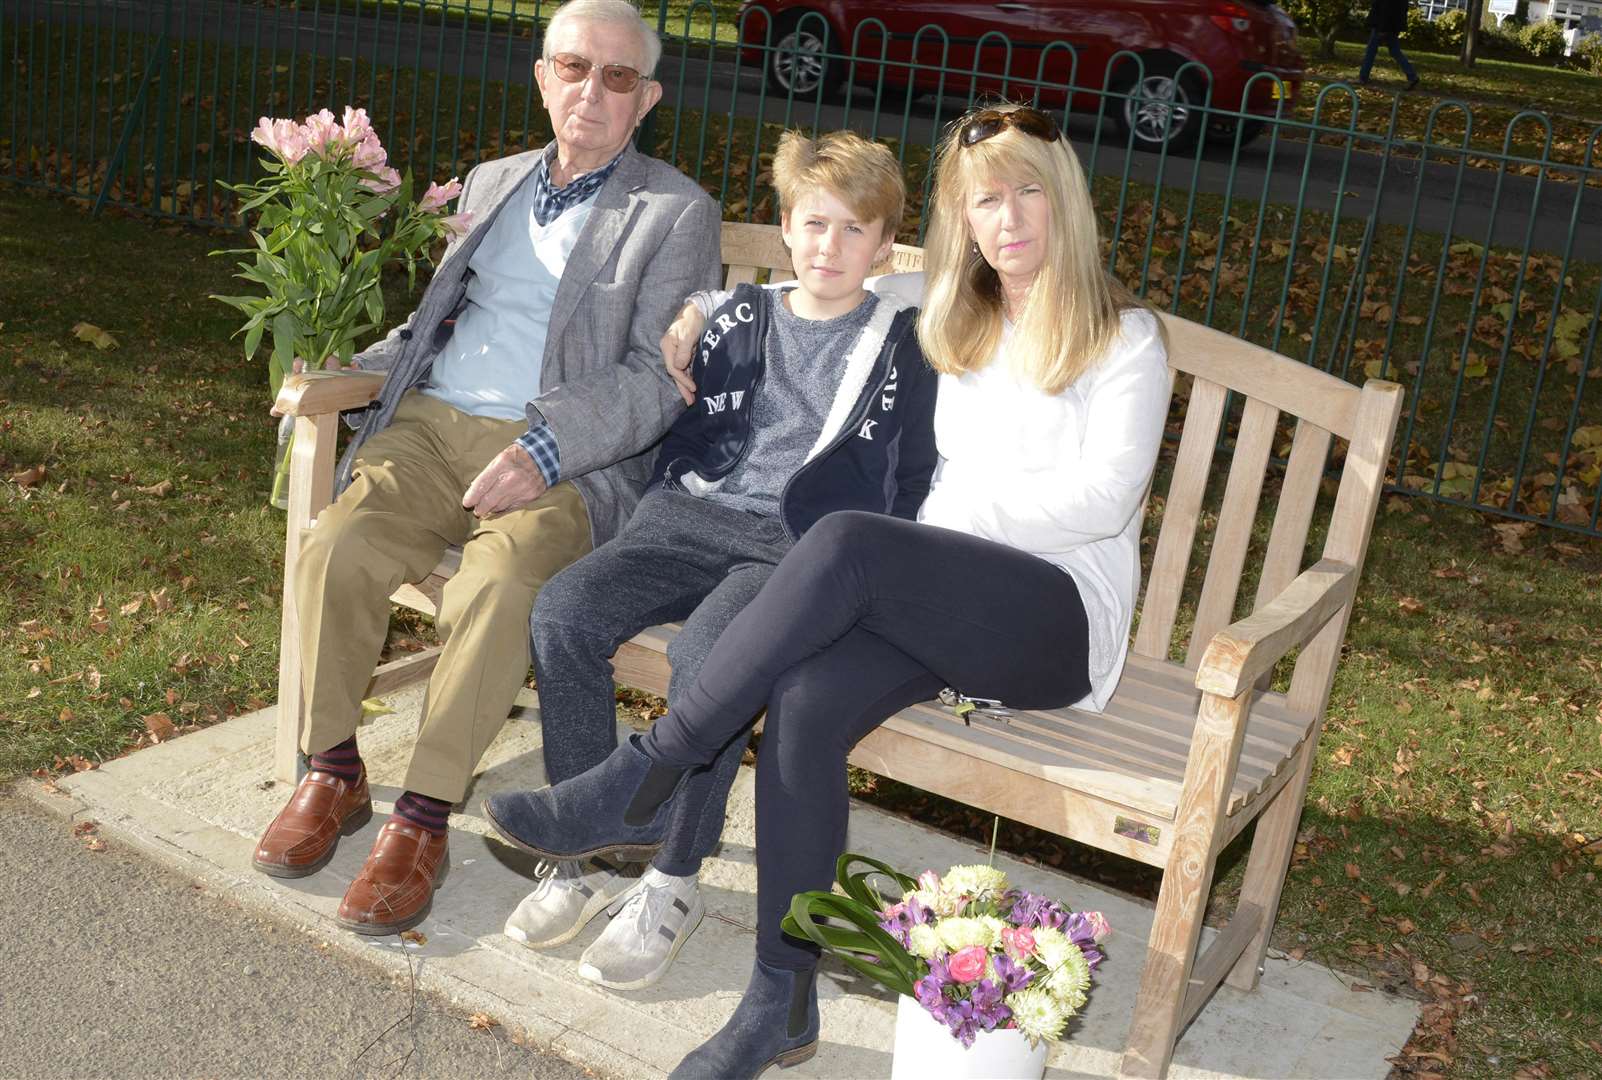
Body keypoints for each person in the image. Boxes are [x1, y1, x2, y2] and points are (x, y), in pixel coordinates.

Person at [485, 102, 1171, 1078]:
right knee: (804, 705)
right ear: (961, 222)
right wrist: (701, 313)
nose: (1009, 218)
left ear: (1064, 202)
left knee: (849, 542)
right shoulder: (949, 317)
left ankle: (644, 775)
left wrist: (936, 531)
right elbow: (827, 266)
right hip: (934, 601)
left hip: (1050, 624)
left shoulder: (1123, 338)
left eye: (1028, 192)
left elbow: (1103, 500)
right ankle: (779, 1001)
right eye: (985, 201)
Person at [250, 0, 722, 938]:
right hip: (431, 429)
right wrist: (348, 375)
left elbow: (659, 382)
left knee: (501, 587)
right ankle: (334, 768)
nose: (592, 89)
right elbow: (437, 326)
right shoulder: (494, 179)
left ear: (648, 98)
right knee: (336, 544)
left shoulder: (675, 211)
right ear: (542, 76)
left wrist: (543, 447)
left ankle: (422, 819)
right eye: (574, 67)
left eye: (617, 76)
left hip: (569, 460)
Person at [500, 130, 938, 992]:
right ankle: (584, 852)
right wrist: (705, 303)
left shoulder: (905, 335)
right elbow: (729, 313)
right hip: (685, 517)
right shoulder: (744, 313)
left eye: (856, 231)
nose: (831, 247)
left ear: (887, 246)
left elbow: (964, 283)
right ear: (785, 227)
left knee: (710, 662)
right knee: (564, 613)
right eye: (814, 225)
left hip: (794, 548)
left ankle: (673, 879)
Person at [1358, 0, 1420, 90]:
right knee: (1395, 51)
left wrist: (1382, 28)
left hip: (1382, 24)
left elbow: (1386, 7)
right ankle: (1412, 76)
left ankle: (1363, 77)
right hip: (1392, 25)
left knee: (1371, 50)